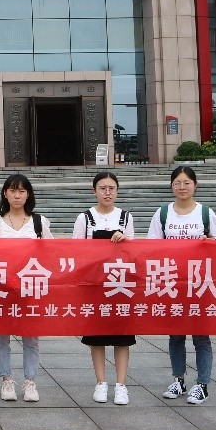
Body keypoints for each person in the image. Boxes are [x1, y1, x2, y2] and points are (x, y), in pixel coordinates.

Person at [147, 165, 216, 405]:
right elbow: (151, 248)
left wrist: (208, 242)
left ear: (195, 185)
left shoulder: (206, 213)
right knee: (176, 335)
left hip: (200, 283)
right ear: (171, 187)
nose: (182, 187)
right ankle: (178, 379)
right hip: (173, 283)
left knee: (201, 337)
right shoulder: (162, 214)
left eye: (186, 183)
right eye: (177, 183)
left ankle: (202, 384)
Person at [0, 173, 52, 402]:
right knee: (1, 336)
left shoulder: (39, 222)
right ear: (5, 193)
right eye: (13, 191)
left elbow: (52, 252)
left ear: (28, 194)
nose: (17, 195)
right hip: (2, 288)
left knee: (31, 337)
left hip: (31, 287)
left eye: (22, 191)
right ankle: (6, 380)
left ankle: (30, 382)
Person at [73, 171, 135, 406]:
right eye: (102, 188)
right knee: (96, 337)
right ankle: (101, 382)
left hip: (120, 284)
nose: (107, 192)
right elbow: (76, 251)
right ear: (94, 191)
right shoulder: (85, 218)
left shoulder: (125, 217)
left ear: (117, 191)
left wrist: (125, 241)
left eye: (111, 188)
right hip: (95, 284)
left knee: (122, 337)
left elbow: (134, 252)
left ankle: (121, 385)